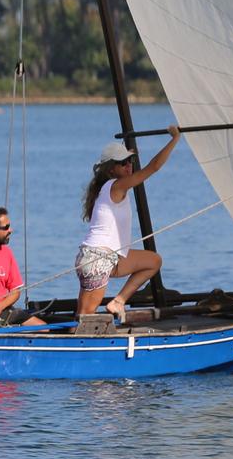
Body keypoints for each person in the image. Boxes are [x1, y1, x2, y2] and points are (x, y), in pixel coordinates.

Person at [76, 127, 182, 318]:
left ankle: (118, 302)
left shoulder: (109, 189)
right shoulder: (116, 185)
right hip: (97, 260)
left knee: (153, 261)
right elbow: (154, 167)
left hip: (109, 258)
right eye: (122, 162)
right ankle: (77, 344)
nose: (129, 166)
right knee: (86, 316)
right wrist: (175, 138)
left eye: (130, 161)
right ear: (111, 169)